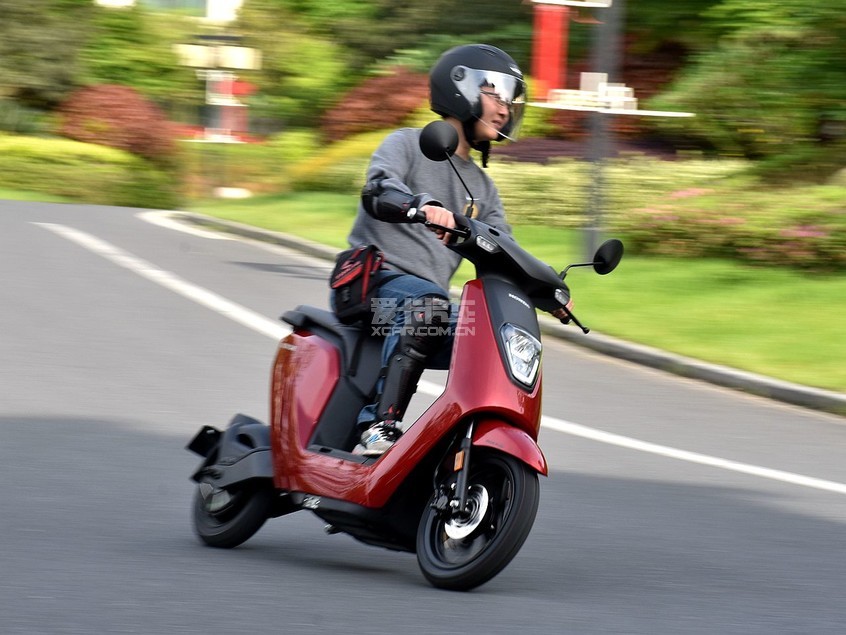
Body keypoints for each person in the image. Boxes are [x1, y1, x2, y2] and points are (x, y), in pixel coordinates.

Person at [334, 43, 566, 456]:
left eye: (509, 100)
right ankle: (379, 426)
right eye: (496, 95)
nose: (504, 108)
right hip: (371, 285)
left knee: (497, 333)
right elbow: (378, 190)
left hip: (422, 306)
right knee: (431, 305)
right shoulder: (407, 144)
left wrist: (546, 291)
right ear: (460, 89)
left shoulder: (483, 188)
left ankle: (462, 446)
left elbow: (504, 250)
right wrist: (418, 206)